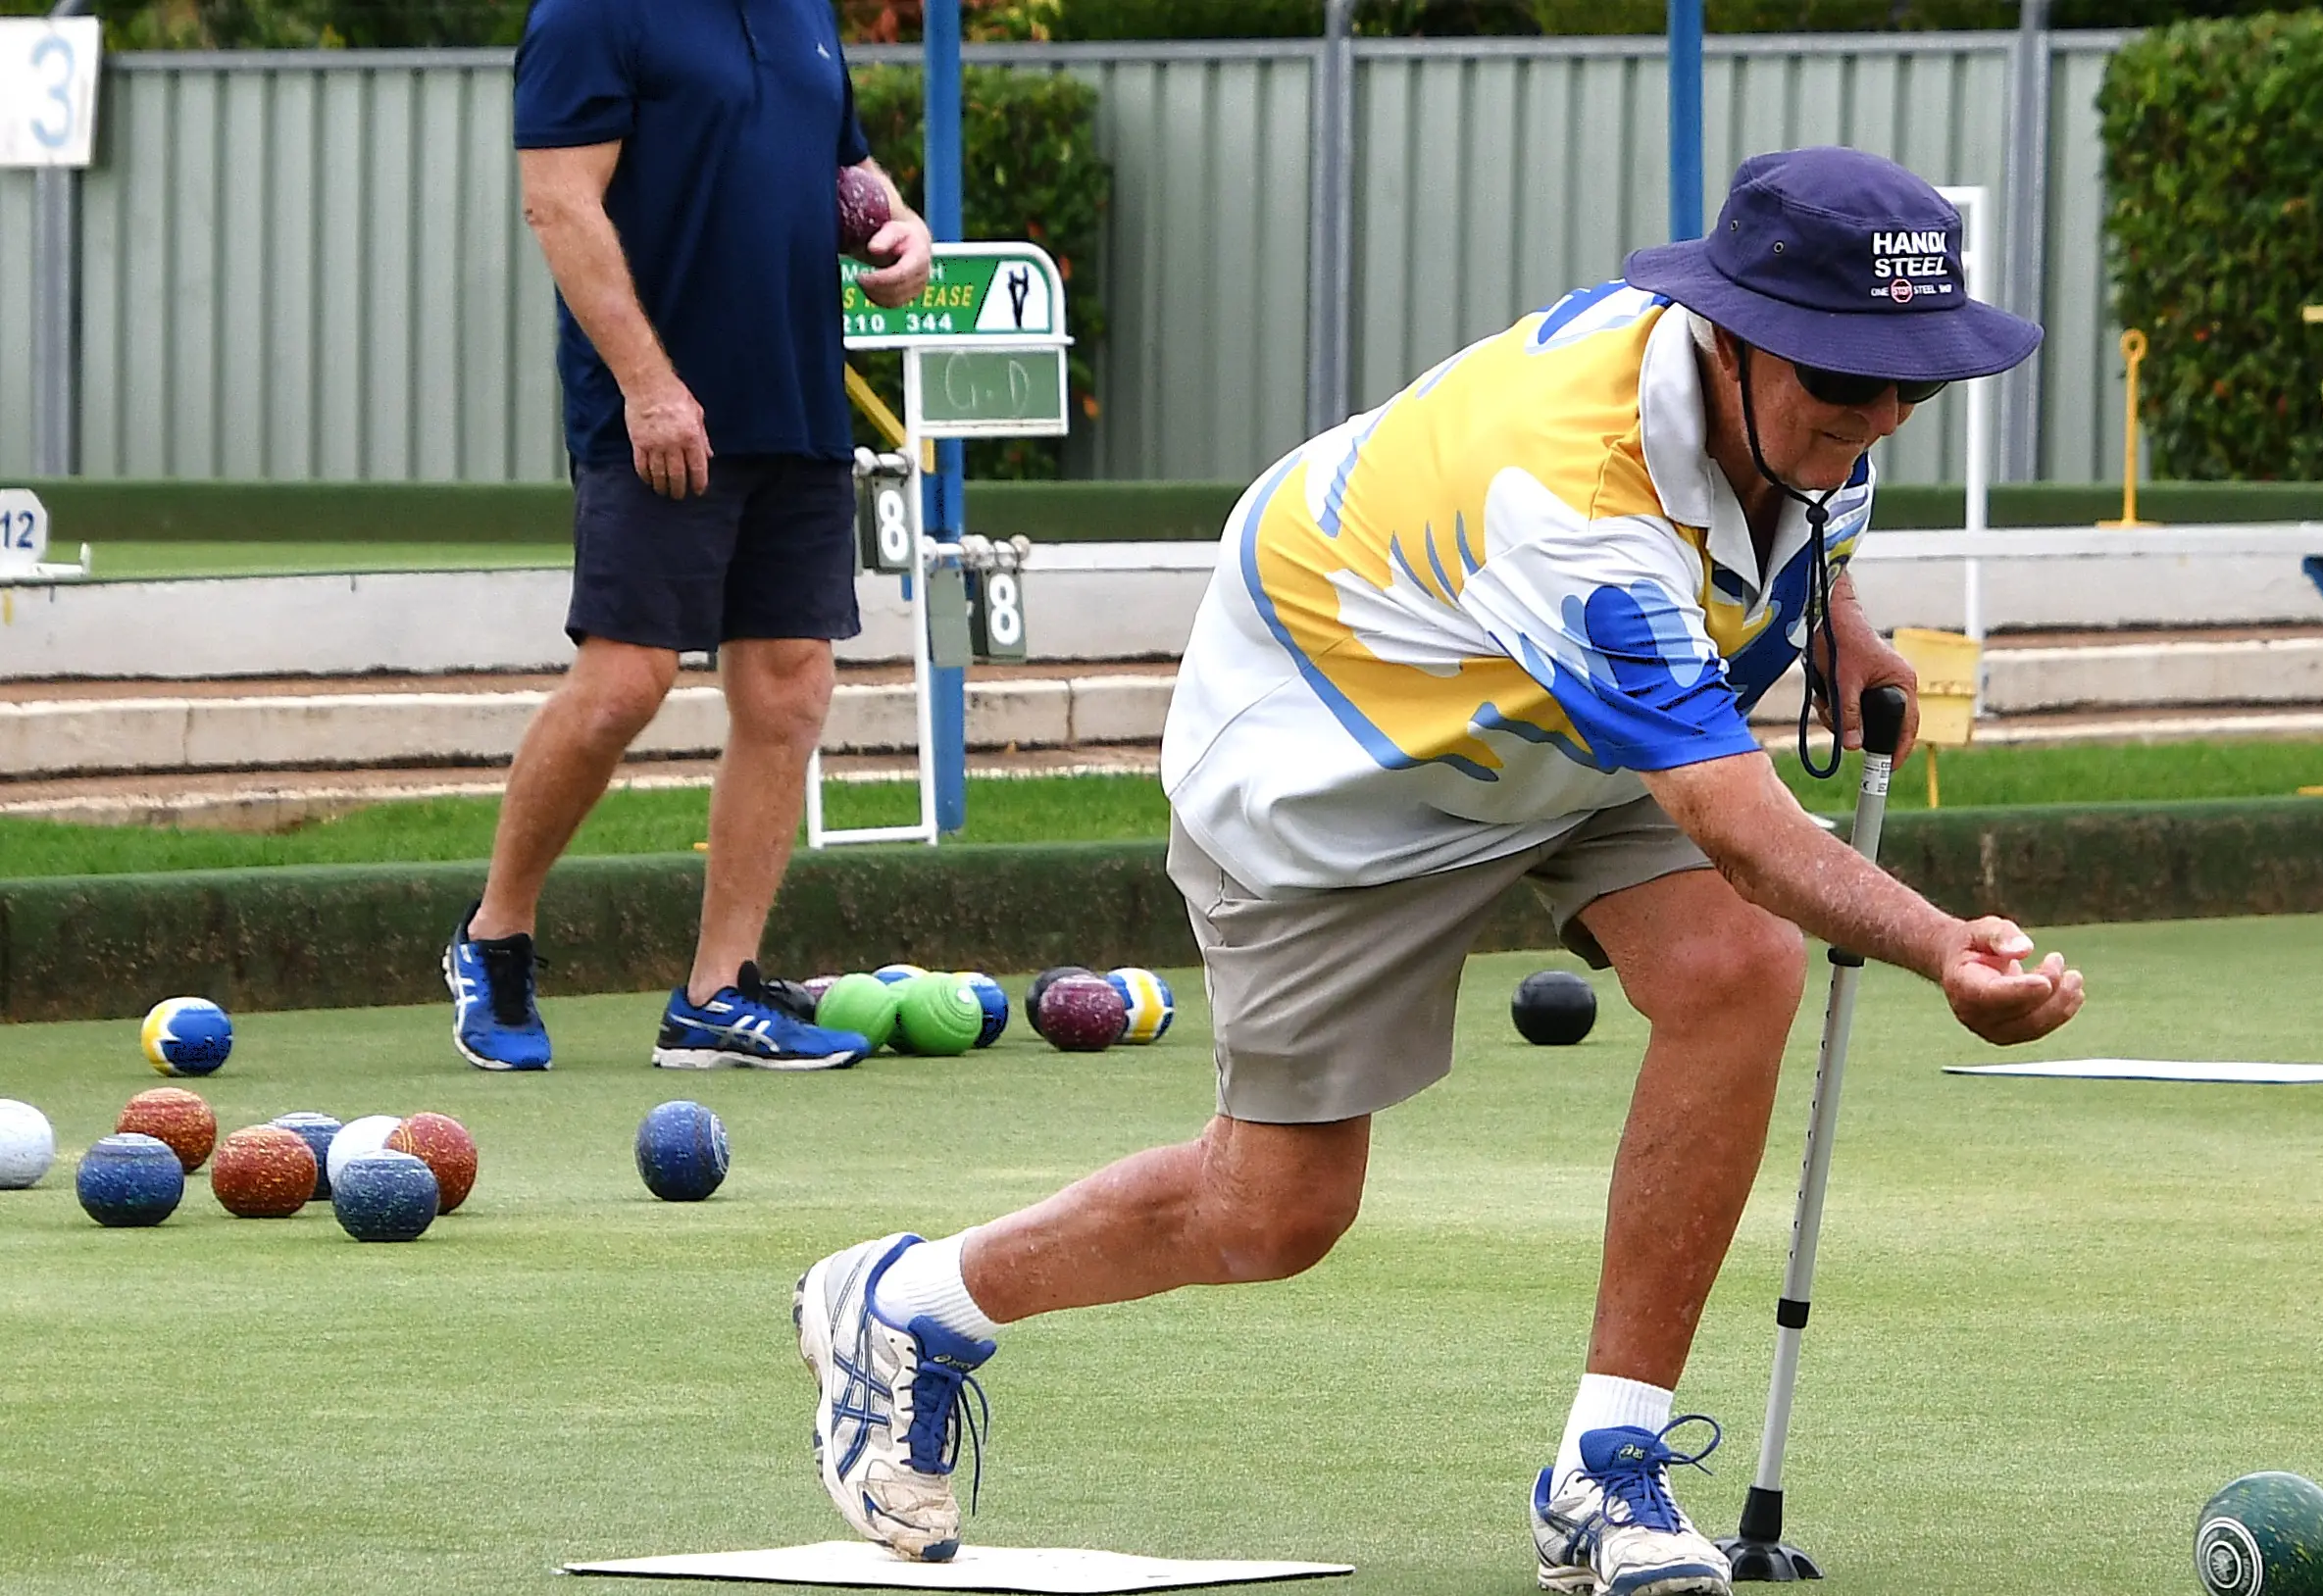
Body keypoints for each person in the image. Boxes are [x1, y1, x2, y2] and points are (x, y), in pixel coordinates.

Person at [792, 147, 2087, 1596]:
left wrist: (1835, 619)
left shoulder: (1790, 412)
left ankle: (1604, 1469)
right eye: (1844, 388)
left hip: (1562, 714)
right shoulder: (1573, 498)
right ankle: (906, 1302)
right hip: (1338, 753)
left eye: (1907, 388)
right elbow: (1735, 823)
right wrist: (1938, 947)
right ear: (1729, 339)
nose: (1875, 420)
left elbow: (1806, 512)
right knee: (1277, 1213)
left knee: (1736, 967)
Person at [443, 0, 932, 1072]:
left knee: (792, 685)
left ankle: (719, 990)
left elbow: (844, 166)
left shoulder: (802, 11)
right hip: (658, 409)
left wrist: (900, 226)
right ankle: (494, 935)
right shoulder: (587, 13)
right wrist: (649, 385)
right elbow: (559, 206)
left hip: (796, 400)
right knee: (626, 681)